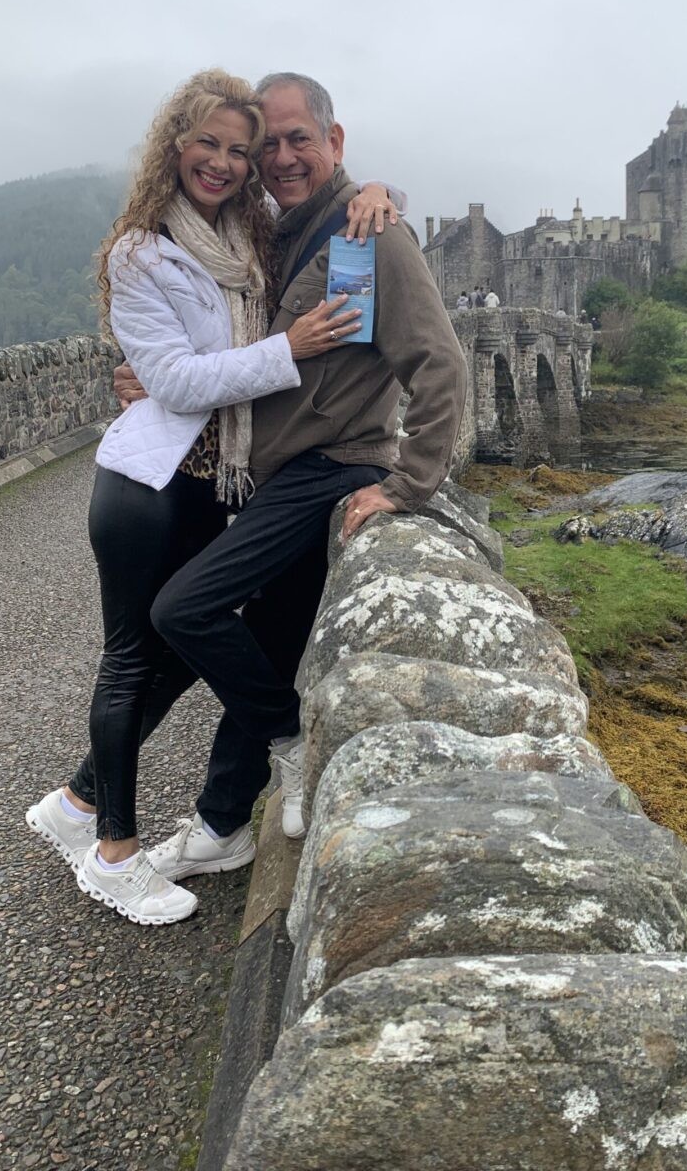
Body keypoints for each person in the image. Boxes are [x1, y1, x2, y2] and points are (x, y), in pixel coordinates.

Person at [25, 70, 398, 926]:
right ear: (175, 147)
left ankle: (78, 802)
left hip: (214, 483)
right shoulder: (140, 252)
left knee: (180, 650)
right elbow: (174, 378)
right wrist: (290, 348)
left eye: (242, 148)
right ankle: (113, 853)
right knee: (130, 660)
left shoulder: (246, 238)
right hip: (146, 487)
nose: (228, 163)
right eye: (211, 145)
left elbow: (331, 209)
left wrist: (379, 191)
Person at [137, 72, 467, 881]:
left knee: (185, 608)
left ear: (335, 142)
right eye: (268, 144)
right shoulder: (281, 237)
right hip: (276, 473)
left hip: (330, 466)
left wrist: (408, 486)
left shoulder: (375, 235)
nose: (282, 158)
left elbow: (441, 365)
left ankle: (286, 741)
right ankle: (222, 824)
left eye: (298, 139)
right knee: (274, 638)